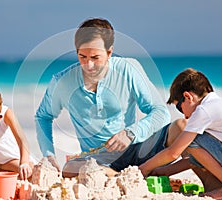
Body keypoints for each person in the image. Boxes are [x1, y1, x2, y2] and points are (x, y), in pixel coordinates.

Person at [35, 17, 175, 178]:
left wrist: (130, 133)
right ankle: (124, 176)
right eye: (82, 57)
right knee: (70, 168)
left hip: (135, 147)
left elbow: (161, 112)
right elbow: (43, 116)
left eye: (95, 58)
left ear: (109, 52)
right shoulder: (62, 82)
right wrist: (49, 155)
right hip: (97, 160)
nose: (89, 65)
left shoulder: (128, 69)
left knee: (180, 128)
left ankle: (141, 171)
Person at [139, 68, 222, 199]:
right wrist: (164, 171)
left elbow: (173, 152)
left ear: (188, 97)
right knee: (196, 144)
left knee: (191, 139)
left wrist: (143, 169)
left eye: (179, 107)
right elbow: (203, 157)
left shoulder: (204, 110)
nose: (185, 116)